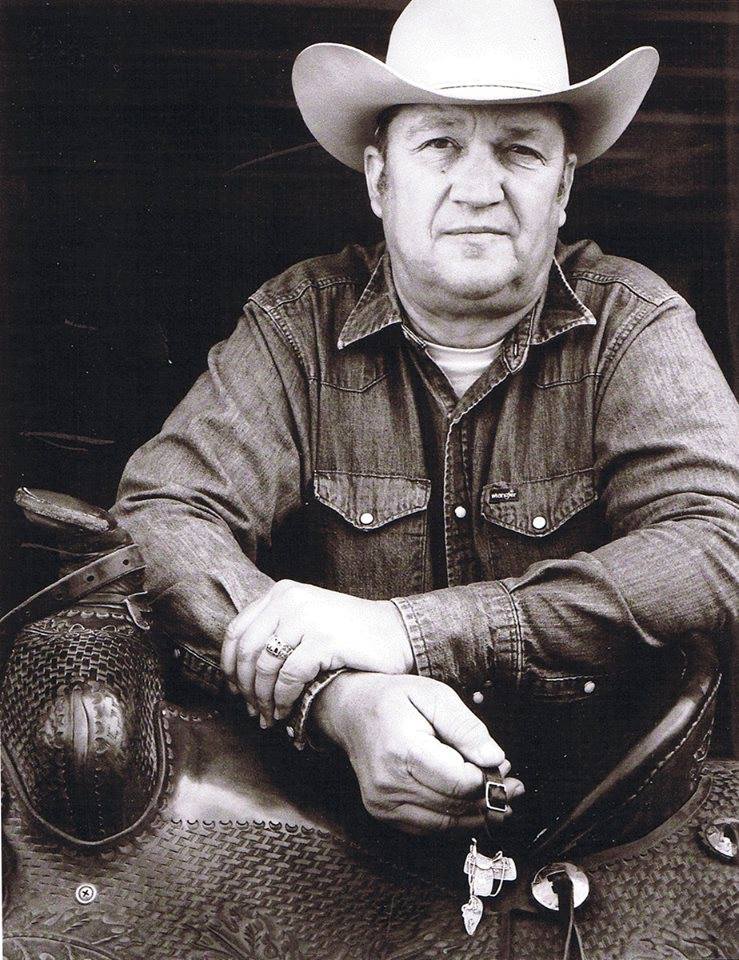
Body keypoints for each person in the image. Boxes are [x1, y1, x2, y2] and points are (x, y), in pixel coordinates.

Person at [112, 0, 738, 836]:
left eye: (518, 150)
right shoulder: (296, 328)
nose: (478, 188)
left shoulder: (634, 324)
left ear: (562, 185)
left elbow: (720, 543)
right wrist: (336, 699)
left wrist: (406, 632)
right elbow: (163, 513)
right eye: (440, 144)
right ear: (380, 180)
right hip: (340, 829)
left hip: (604, 826)